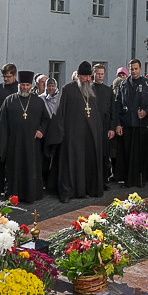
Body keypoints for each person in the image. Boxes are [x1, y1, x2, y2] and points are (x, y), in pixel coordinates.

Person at [0, 71, 50, 203]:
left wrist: (40, 130)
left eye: (27, 85)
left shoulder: (38, 101)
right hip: (14, 144)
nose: (25, 88)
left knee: (31, 168)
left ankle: (31, 194)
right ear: (19, 85)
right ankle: (14, 195)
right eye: (22, 85)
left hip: (33, 144)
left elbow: (46, 119)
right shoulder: (9, 100)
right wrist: (3, 142)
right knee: (14, 170)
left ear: (31, 85)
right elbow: (2, 123)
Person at [46, 62, 103, 202]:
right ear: (78, 76)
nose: (87, 79)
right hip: (72, 136)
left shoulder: (92, 90)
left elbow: (95, 113)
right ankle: (70, 191)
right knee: (71, 162)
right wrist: (60, 133)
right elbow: (58, 113)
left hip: (89, 136)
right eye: (84, 76)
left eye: (89, 76)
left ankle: (89, 188)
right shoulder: (67, 89)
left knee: (88, 161)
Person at [113, 59, 148, 187]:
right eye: (131, 69)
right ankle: (127, 180)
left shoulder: (147, 84)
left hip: (141, 124)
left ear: (140, 69)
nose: (134, 71)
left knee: (140, 154)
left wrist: (146, 112)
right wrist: (118, 124)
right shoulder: (123, 84)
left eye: (136, 68)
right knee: (126, 153)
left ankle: (139, 179)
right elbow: (118, 105)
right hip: (127, 124)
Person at [92, 63, 115, 187]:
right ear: (93, 74)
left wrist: (112, 128)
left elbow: (113, 110)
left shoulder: (108, 90)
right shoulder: (89, 88)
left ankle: (103, 181)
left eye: (102, 74)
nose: (100, 76)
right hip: (92, 127)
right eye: (98, 73)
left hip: (105, 127)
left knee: (104, 155)